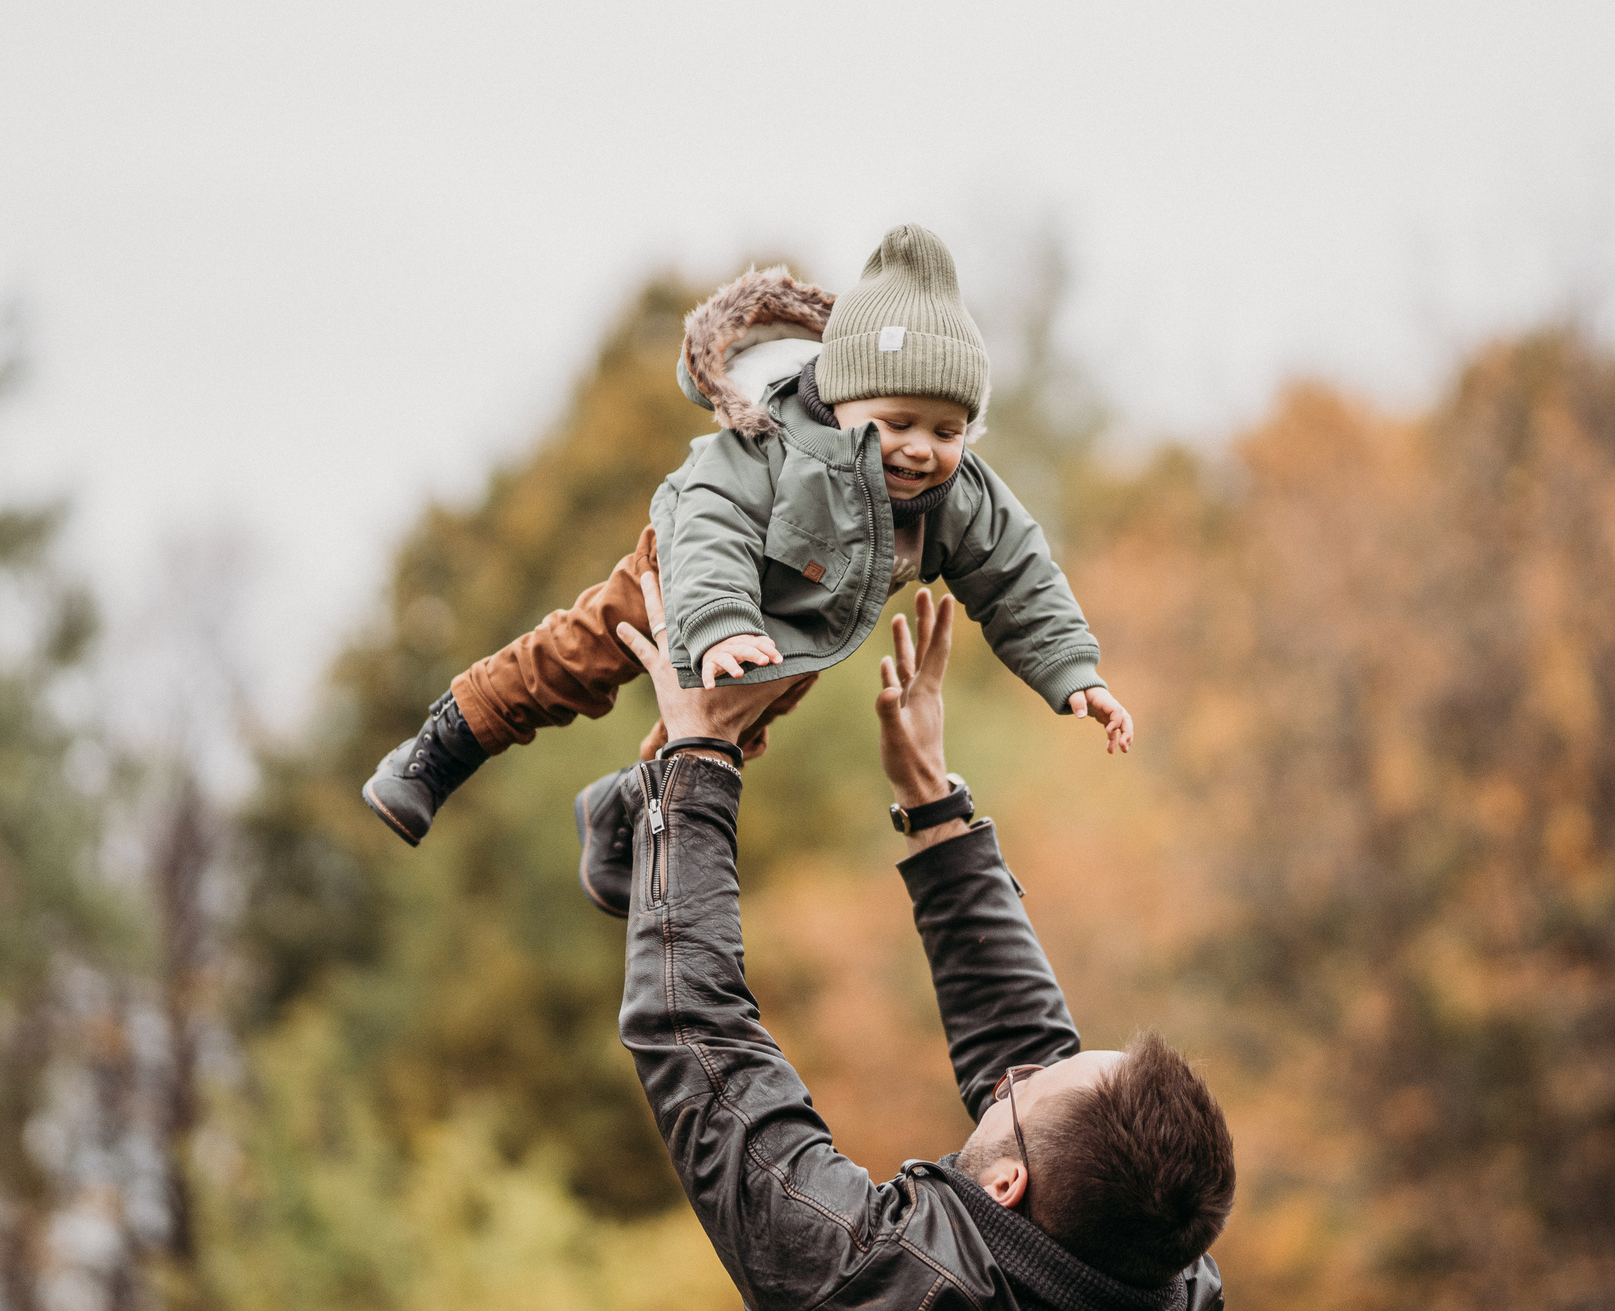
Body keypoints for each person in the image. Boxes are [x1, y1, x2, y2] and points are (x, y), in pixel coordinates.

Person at [600, 575, 1233, 1311]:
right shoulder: (1162, 1305)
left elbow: (697, 1030)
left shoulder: (863, 1282)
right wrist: (936, 809)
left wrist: (696, 760)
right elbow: (1041, 1099)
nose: (1021, 1069)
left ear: (1007, 1185)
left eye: (1025, 1087)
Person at [361, 225, 1137, 871]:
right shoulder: (771, 445)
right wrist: (724, 619)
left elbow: (1017, 574)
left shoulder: (958, 493)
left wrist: (1074, 672)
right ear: (840, 398)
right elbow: (712, 521)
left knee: (718, 737)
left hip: (796, 634)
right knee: (572, 659)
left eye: (947, 429)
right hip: (682, 577)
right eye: (898, 421)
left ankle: (618, 813)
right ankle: (434, 754)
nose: (920, 450)